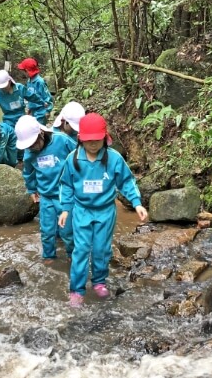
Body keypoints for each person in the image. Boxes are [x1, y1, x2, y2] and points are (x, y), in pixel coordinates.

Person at [58, 113, 148, 308]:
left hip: (106, 211)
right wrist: (66, 209)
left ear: (104, 137)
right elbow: (67, 185)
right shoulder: (72, 159)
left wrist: (137, 202)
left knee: (101, 249)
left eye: (96, 140)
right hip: (82, 211)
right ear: (81, 138)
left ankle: (99, 281)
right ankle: (77, 290)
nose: (92, 144)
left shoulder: (114, 158)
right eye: (88, 140)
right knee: (80, 250)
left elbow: (126, 181)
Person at [17, 115, 77, 263]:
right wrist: (31, 190)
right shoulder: (29, 152)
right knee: (47, 230)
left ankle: (72, 253)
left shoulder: (61, 140)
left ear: (41, 134)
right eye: (28, 146)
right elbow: (29, 172)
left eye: (33, 144)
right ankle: (49, 255)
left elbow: (79, 155)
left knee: (67, 231)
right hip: (46, 197)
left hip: (65, 196)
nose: (31, 148)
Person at [17, 57, 53, 124]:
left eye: (24, 71)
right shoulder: (29, 81)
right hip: (33, 111)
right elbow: (30, 96)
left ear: (27, 71)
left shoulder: (40, 82)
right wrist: (29, 108)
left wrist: (48, 111)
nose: (23, 73)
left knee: (40, 130)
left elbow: (47, 97)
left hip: (41, 111)